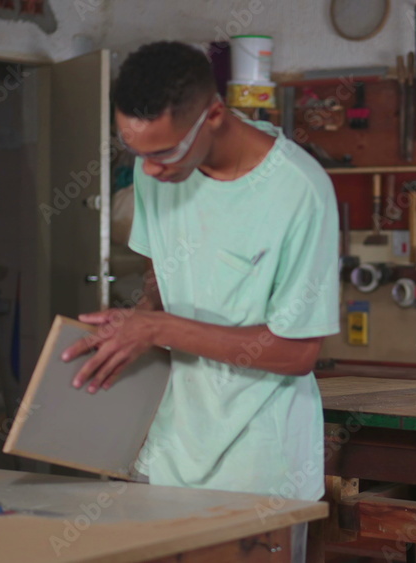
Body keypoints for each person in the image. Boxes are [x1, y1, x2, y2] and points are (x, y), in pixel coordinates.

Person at [61, 41, 340, 512]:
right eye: (135, 150)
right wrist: (136, 324)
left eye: (165, 151)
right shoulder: (156, 172)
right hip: (168, 451)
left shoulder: (299, 192)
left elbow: (298, 352)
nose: (148, 168)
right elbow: (162, 280)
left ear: (213, 115)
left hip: (260, 469)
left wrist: (160, 329)